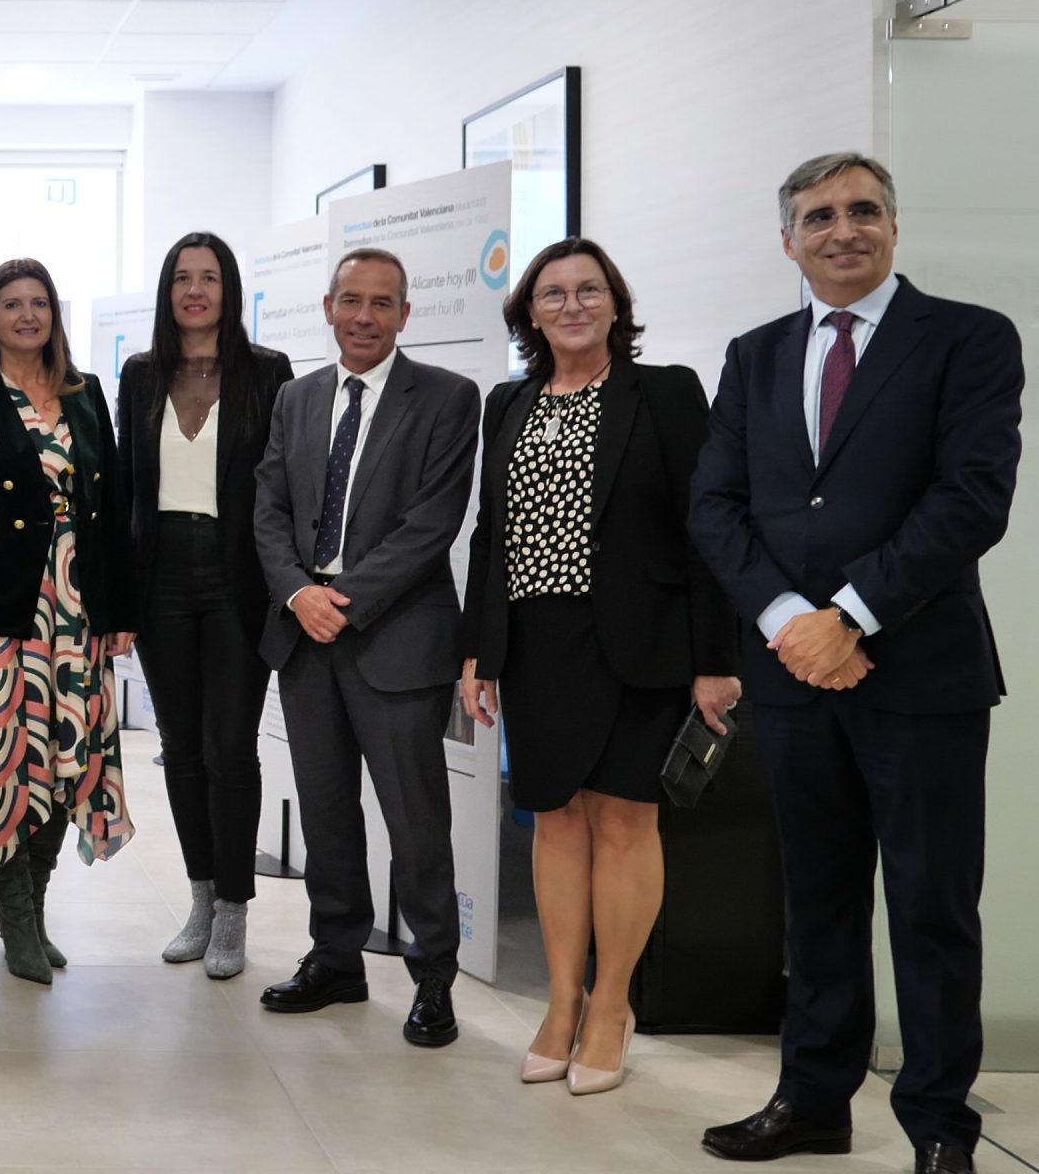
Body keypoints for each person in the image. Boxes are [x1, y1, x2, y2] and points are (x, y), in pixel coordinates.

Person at [688, 154, 1021, 1174]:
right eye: (820, 215)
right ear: (787, 239)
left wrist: (853, 617)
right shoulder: (754, 355)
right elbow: (715, 504)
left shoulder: (967, 338)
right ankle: (812, 1101)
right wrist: (793, 620)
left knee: (929, 907)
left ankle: (939, 1125)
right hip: (793, 677)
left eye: (863, 210)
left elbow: (971, 499)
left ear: (893, 225)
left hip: (921, 676)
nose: (844, 230)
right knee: (819, 902)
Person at [455, 237, 741, 1095]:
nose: (572, 305)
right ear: (530, 313)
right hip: (537, 647)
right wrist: (478, 649)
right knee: (555, 819)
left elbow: (706, 526)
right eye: (553, 293)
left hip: (641, 644)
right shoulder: (508, 402)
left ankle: (611, 1007)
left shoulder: (666, 392)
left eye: (589, 290)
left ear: (616, 304)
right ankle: (562, 1002)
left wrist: (716, 659)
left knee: (622, 823)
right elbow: (490, 533)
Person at [251, 247, 480, 1047]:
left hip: (397, 639)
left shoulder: (448, 398)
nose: (365, 316)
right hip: (304, 636)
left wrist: (338, 602)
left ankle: (433, 976)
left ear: (406, 315)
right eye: (351, 300)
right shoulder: (296, 397)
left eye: (383, 303)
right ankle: (336, 957)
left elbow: (432, 524)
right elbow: (269, 510)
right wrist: (298, 593)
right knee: (325, 812)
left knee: (416, 822)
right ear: (328, 307)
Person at [0, 258, 136, 984]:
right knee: (10, 767)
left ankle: (37, 909)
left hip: (77, 615)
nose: (27, 315)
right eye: (12, 304)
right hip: (3, 616)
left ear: (54, 315)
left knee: (62, 762)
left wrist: (118, 611)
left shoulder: (86, 393)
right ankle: (14, 918)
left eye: (39, 303)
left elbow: (113, 510)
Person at [114, 233, 294, 979]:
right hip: (161, 580)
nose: (195, 291)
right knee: (181, 748)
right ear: (167, 292)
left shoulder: (267, 372)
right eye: (182, 278)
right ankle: (200, 897)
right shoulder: (141, 374)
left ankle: (234, 908)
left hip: (236, 580)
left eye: (209, 278)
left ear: (230, 289)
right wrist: (119, 599)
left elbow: (285, 485)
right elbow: (125, 489)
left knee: (230, 748)